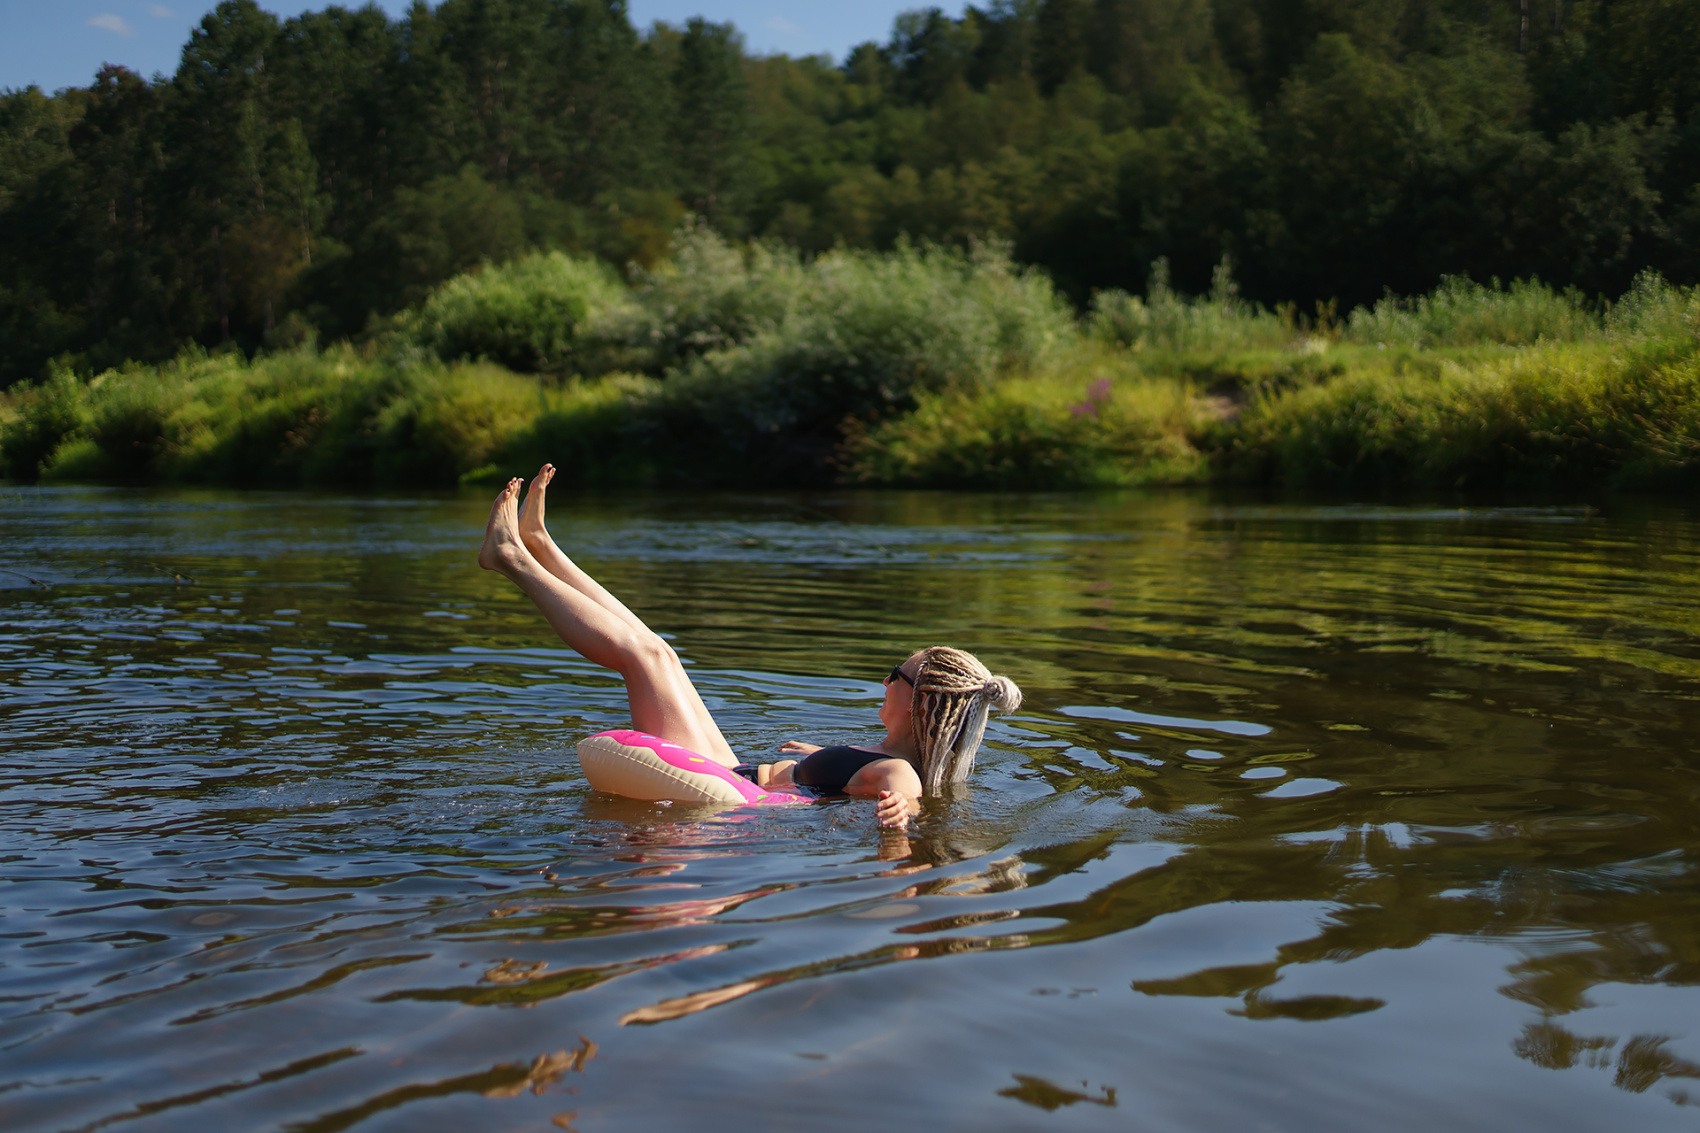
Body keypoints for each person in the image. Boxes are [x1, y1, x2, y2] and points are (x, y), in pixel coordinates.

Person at [477, 465, 1023, 827]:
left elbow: (901, 798)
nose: (883, 681)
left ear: (921, 702)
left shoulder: (901, 774)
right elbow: (852, 782)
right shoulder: (890, 755)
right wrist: (818, 757)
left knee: (644, 658)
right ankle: (542, 547)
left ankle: (511, 558)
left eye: (894, 675)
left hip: (730, 803)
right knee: (661, 651)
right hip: (735, 774)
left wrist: (901, 819)